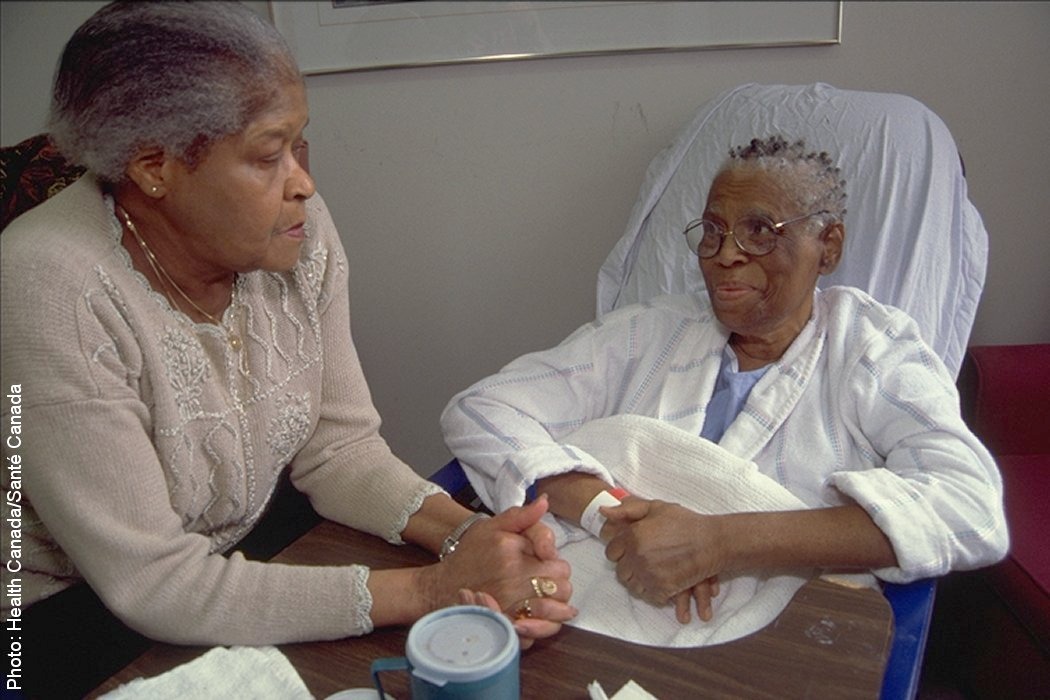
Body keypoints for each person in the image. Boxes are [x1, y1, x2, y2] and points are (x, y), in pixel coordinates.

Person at [0, 2, 573, 696]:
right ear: (154, 165)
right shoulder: (48, 286)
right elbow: (151, 582)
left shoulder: (294, 229)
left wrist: (478, 543)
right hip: (66, 617)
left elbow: (339, 450)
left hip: (238, 549)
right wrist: (430, 591)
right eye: (269, 155)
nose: (304, 182)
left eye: (300, 145)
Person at [442, 135, 1008, 626]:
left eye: (760, 230)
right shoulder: (648, 332)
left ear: (828, 246)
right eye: (713, 231)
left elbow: (969, 507)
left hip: (774, 635)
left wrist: (720, 542)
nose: (725, 256)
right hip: (588, 603)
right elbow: (479, 410)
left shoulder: (872, 351)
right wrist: (610, 514)